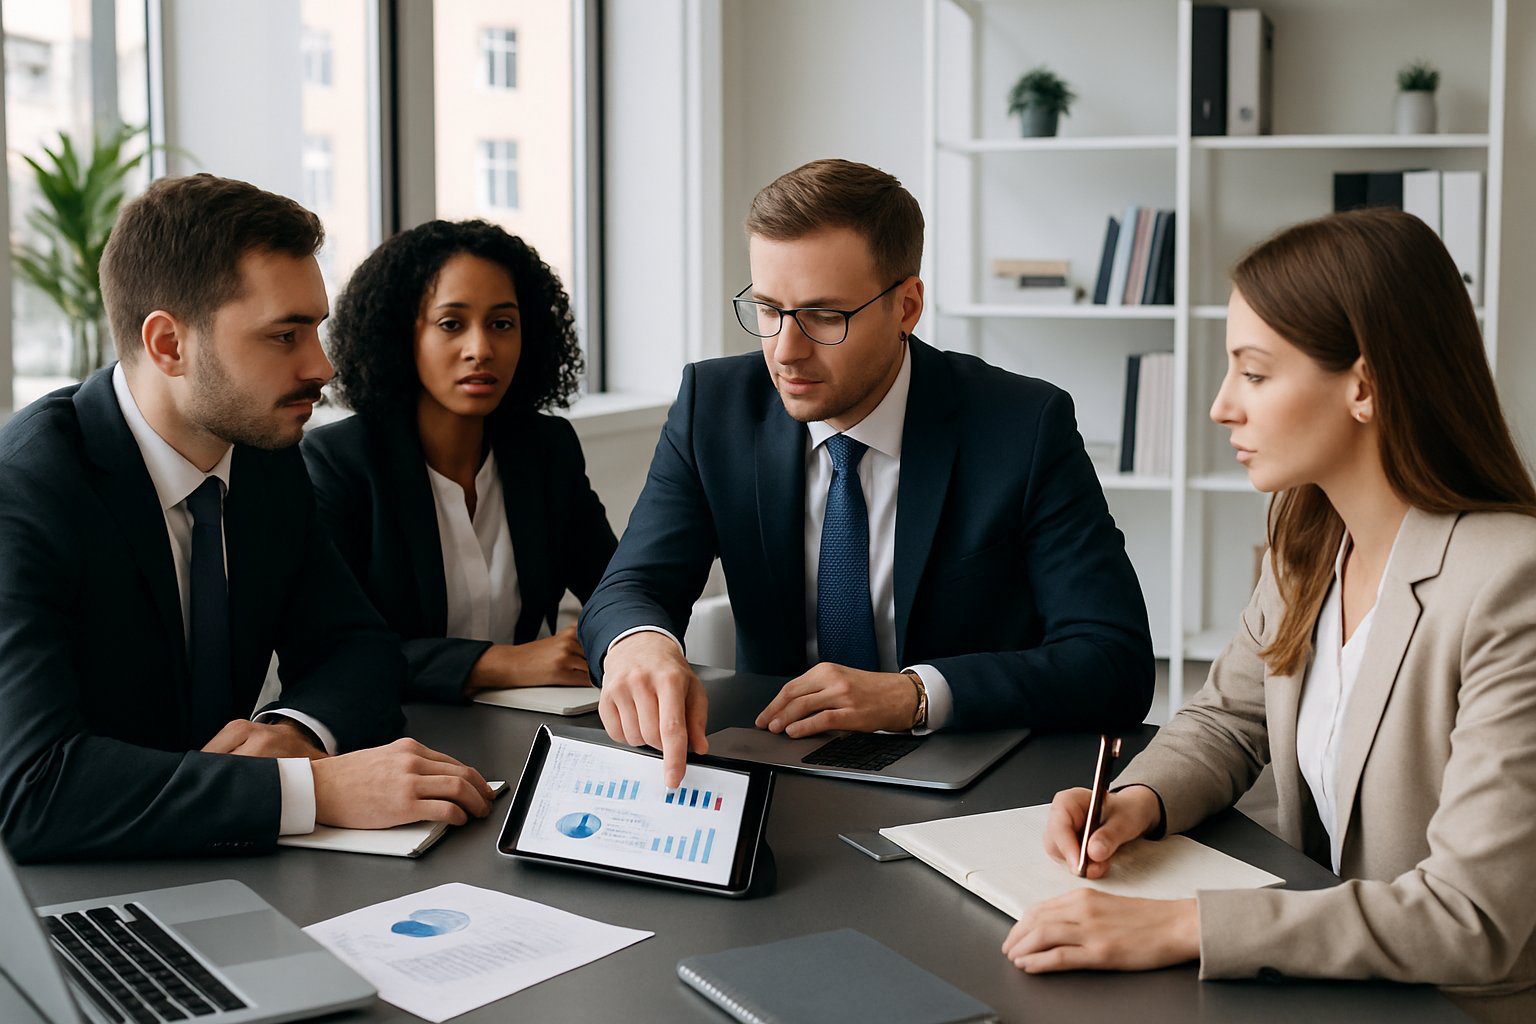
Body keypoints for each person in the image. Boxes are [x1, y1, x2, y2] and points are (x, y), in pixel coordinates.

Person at [1005, 209, 1536, 1023]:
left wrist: (1181, 926)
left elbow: (1472, 917)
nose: (1222, 406)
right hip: (1320, 981)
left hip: (1446, 1006)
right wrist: (1136, 800)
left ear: (1365, 386)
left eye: (1253, 374)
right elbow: (1228, 721)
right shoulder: (1309, 538)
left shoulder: (1509, 582)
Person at [580, 158, 1154, 788]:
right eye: (768, 309)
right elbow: (631, 585)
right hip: (778, 768)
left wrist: (915, 695)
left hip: (965, 778)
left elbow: (1113, 659)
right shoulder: (713, 408)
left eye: (825, 316)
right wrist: (639, 643)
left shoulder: (1023, 425)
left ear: (907, 306)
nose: (785, 350)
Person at [0, 174, 495, 863]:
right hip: (73, 887)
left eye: (315, 329)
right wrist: (309, 790)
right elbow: (33, 790)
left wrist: (298, 733)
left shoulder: (264, 457)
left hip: (224, 860)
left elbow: (358, 647)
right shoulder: (27, 489)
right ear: (168, 344)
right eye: (284, 335)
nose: (322, 366)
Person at [303, 220, 616, 703]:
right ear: (402, 333)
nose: (481, 350)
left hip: (530, 722)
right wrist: (502, 662)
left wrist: (631, 641)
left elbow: (615, 589)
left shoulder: (546, 449)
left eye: (502, 324)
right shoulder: (340, 462)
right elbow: (334, 650)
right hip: (391, 729)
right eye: (451, 324)